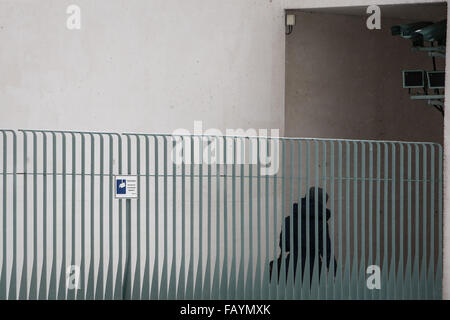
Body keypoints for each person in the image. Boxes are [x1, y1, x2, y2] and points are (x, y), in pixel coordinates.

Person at [269, 187, 337, 284]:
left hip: (291, 268)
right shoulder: (321, 224)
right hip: (313, 270)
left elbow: (284, 246)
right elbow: (326, 252)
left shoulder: (289, 220)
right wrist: (335, 272)